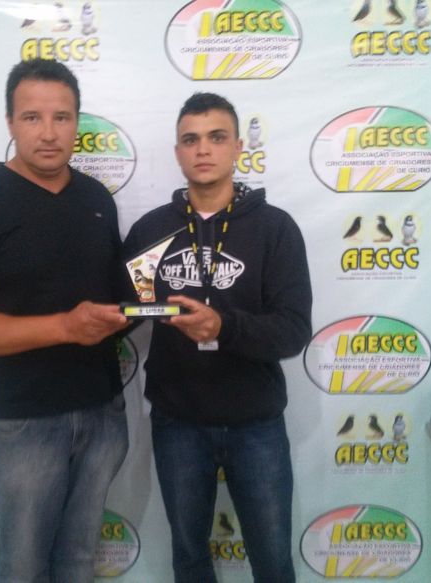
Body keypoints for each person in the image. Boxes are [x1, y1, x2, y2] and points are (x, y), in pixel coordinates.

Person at [0, 58, 129, 583]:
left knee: (79, 562)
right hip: (25, 423)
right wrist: (65, 327)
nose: (48, 133)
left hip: (102, 413)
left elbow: (111, 300)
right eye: (32, 117)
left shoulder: (96, 199)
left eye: (61, 117)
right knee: (22, 569)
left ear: (76, 122)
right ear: (10, 122)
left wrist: (155, 303)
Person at [123, 93, 312, 582]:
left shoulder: (275, 229)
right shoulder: (151, 230)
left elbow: (293, 331)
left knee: (272, 561)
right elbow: (125, 309)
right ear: (178, 152)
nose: (203, 149)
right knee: (189, 557)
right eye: (190, 140)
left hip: (256, 423)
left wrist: (223, 327)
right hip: (178, 422)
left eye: (216, 137)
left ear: (238, 148)